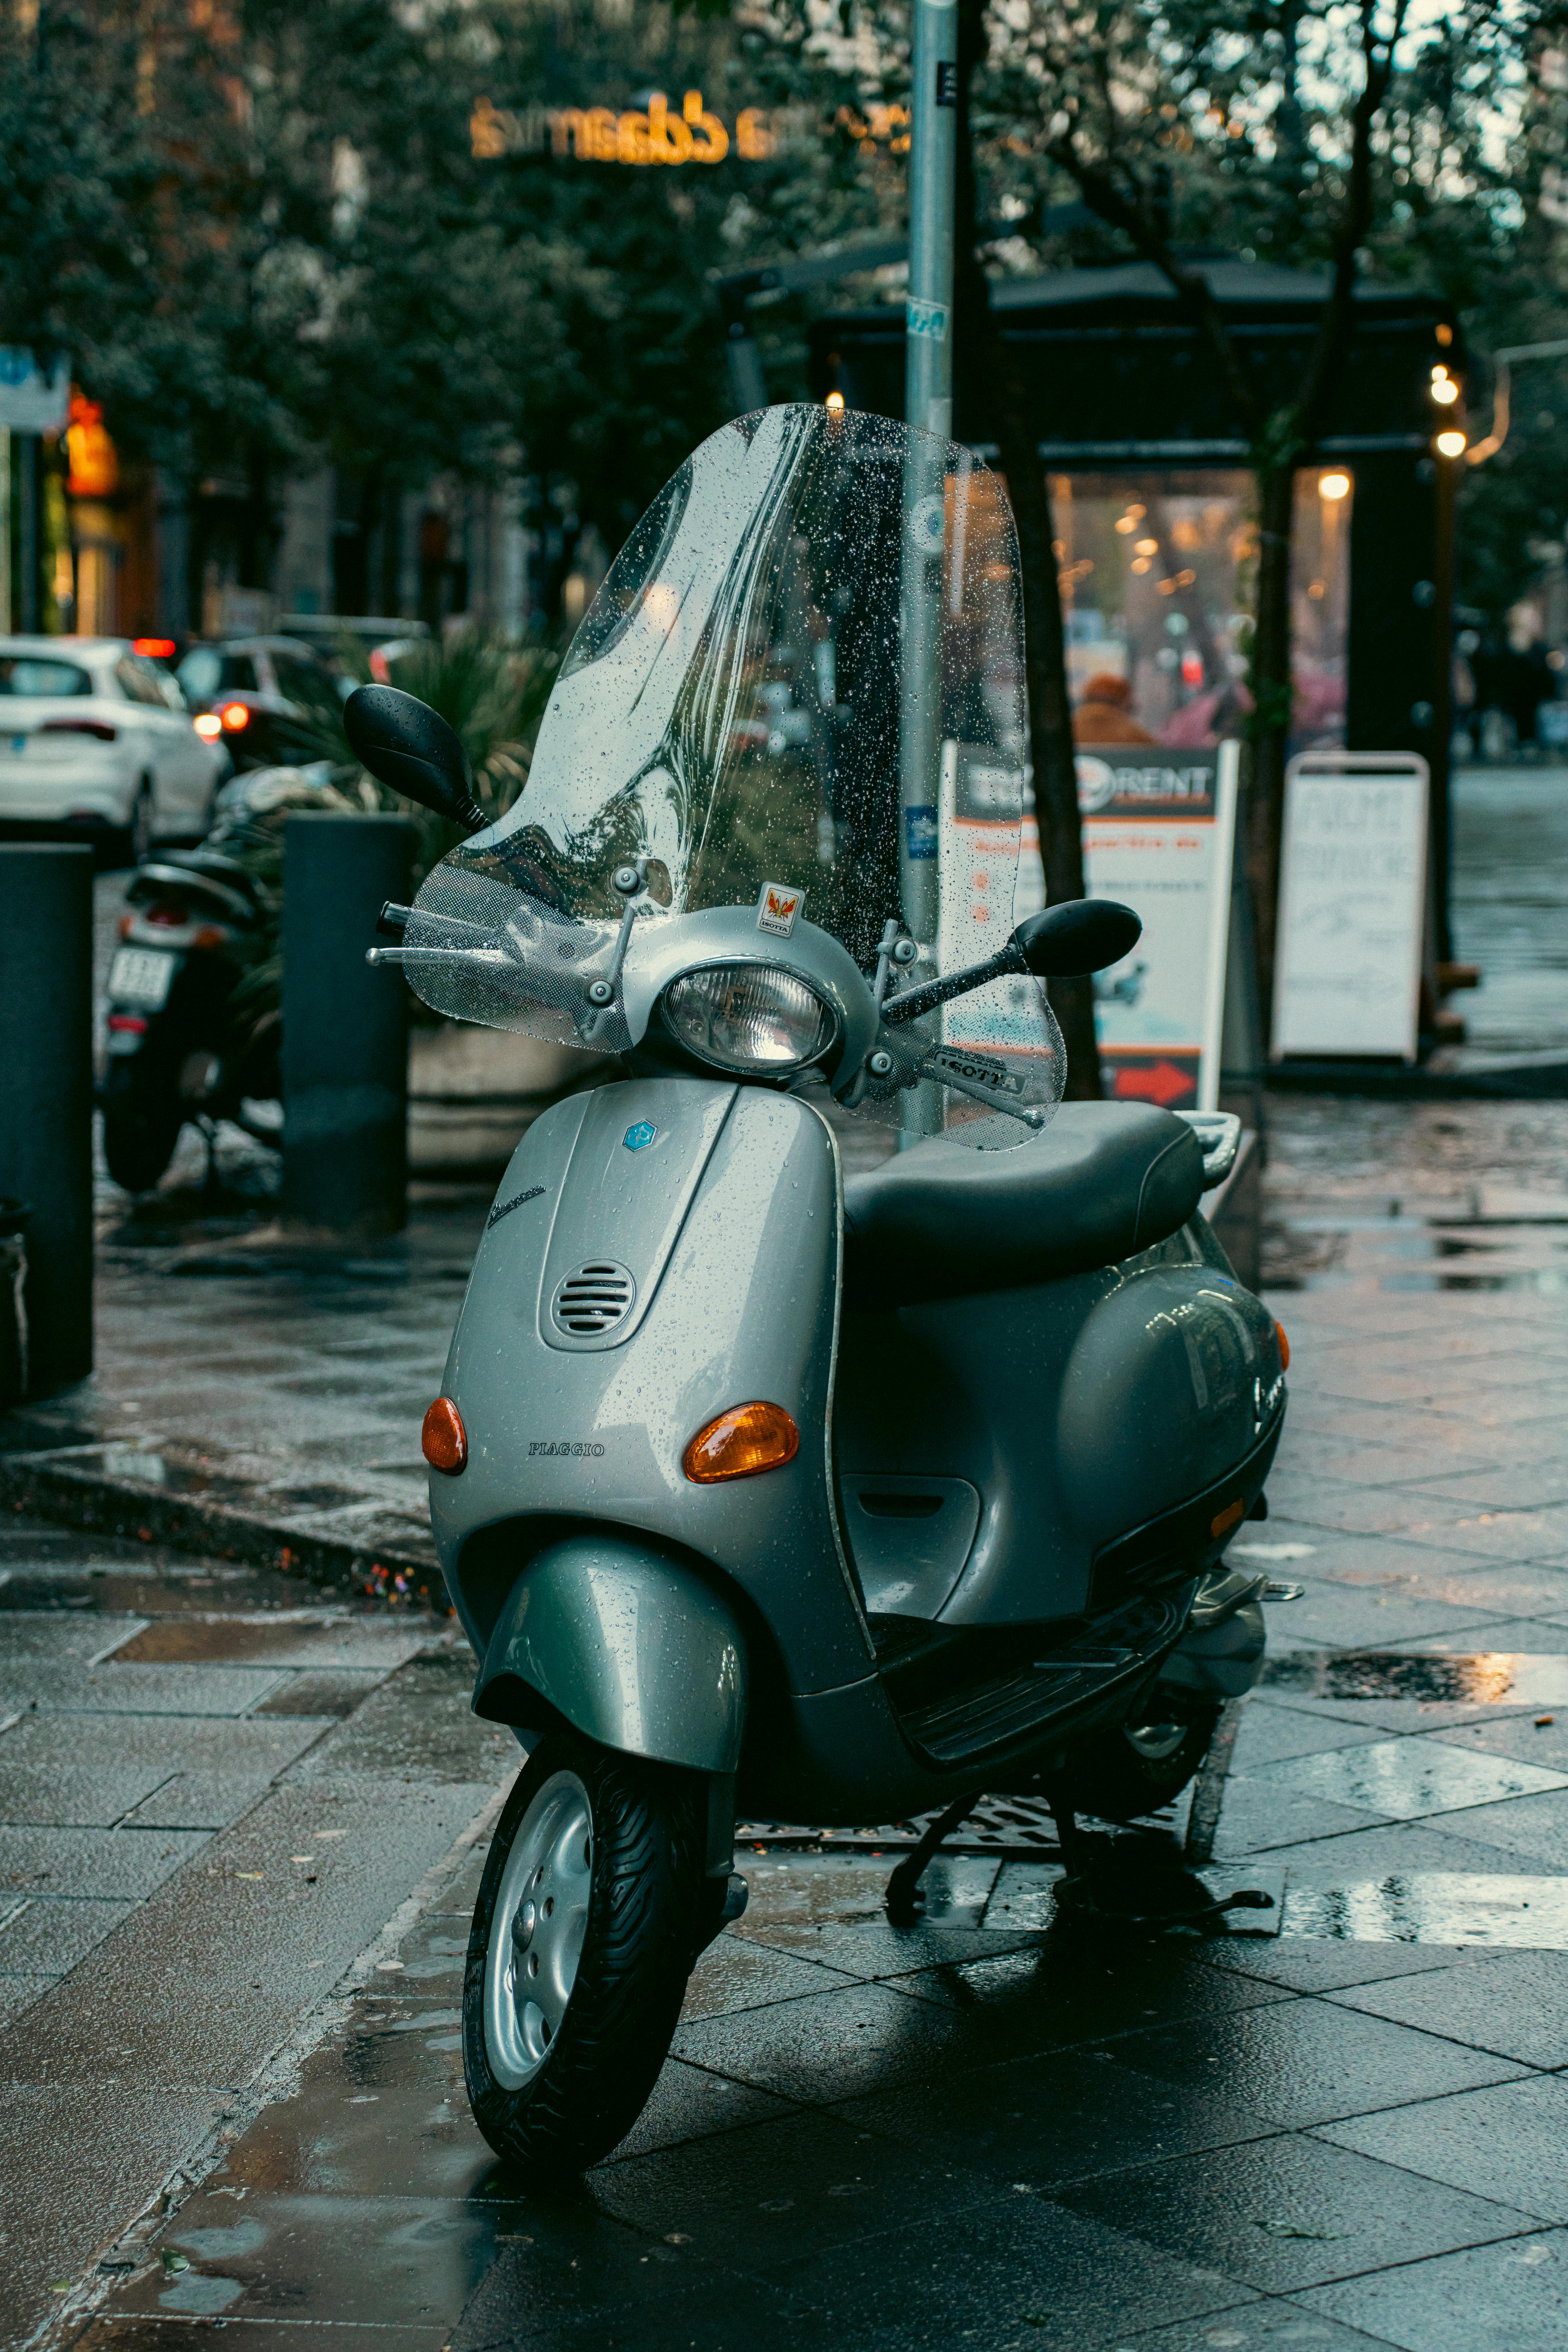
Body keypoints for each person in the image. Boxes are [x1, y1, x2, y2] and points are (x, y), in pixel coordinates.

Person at [1072, 671, 1157, 745]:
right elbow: (1160, 757)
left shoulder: (1066, 729)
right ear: (1125, 703)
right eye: (1131, 708)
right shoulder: (1137, 736)